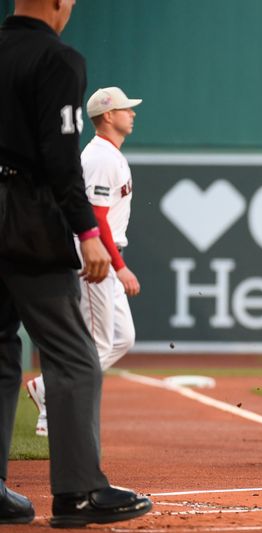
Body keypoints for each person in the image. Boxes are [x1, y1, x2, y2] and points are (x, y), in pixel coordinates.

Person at [0, 0, 151, 527]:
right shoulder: (57, 59)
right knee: (75, 355)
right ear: (59, 2)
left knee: (1, 354)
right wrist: (88, 232)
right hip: (29, 217)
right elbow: (58, 156)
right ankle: (79, 491)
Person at [26, 86, 142, 438]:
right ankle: (51, 396)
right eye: (125, 109)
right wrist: (118, 264)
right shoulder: (102, 157)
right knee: (99, 341)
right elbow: (96, 216)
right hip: (96, 257)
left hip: (107, 252)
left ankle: (48, 388)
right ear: (108, 115)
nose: (132, 113)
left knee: (122, 339)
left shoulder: (109, 154)